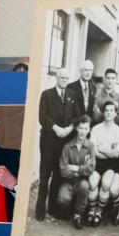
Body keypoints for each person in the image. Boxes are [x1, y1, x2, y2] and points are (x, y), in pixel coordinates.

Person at [36, 69, 79, 221]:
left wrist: (68, 129)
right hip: (49, 142)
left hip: (64, 142)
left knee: (57, 177)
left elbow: (76, 116)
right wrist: (56, 128)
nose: (64, 80)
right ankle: (40, 209)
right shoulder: (46, 95)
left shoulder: (72, 95)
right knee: (45, 175)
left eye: (67, 78)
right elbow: (42, 117)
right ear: (57, 78)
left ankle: (52, 208)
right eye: (62, 77)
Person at [56, 115, 97, 229]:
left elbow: (91, 168)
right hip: (68, 181)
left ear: (88, 130)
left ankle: (77, 215)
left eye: (85, 129)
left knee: (84, 186)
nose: (82, 131)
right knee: (62, 199)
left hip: (81, 181)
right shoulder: (67, 146)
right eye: (81, 128)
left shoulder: (90, 146)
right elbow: (63, 170)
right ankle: (67, 208)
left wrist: (75, 168)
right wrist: (80, 170)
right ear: (77, 129)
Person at [88, 100, 119, 226]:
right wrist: (106, 151)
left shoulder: (118, 130)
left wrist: (102, 149)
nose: (109, 113)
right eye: (106, 110)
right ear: (103, 113)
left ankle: (99, 211)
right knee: (92, 182)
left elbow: (116, 154)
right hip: (97, 161)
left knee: (106, 183)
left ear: (115, 114)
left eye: (111, 111)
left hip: (111, 164)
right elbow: (93, 150)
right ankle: (91, 211)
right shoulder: (96, 129)